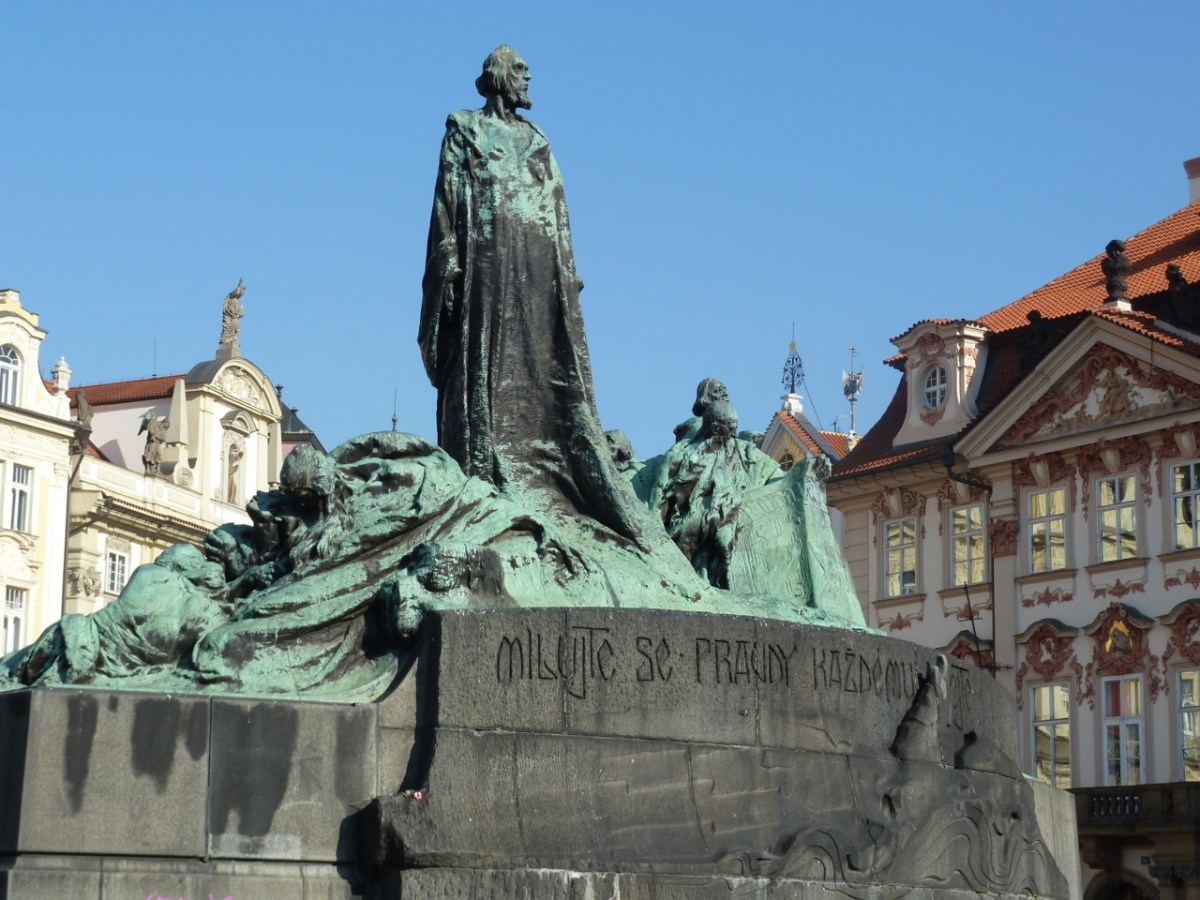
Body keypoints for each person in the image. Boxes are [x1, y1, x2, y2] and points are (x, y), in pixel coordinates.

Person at [418, 46, 648, 545]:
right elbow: (445, 205)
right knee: (488, 362)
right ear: (499, 76)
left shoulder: (538, 140)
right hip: (488, 265)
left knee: (546, 366)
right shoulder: (465, 130)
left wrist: (566, 271)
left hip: (539, 267)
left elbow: (558, 208)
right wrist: (451, 264)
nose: (528, 78)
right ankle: (487, 469)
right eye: (520, 70)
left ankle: (549, 478)